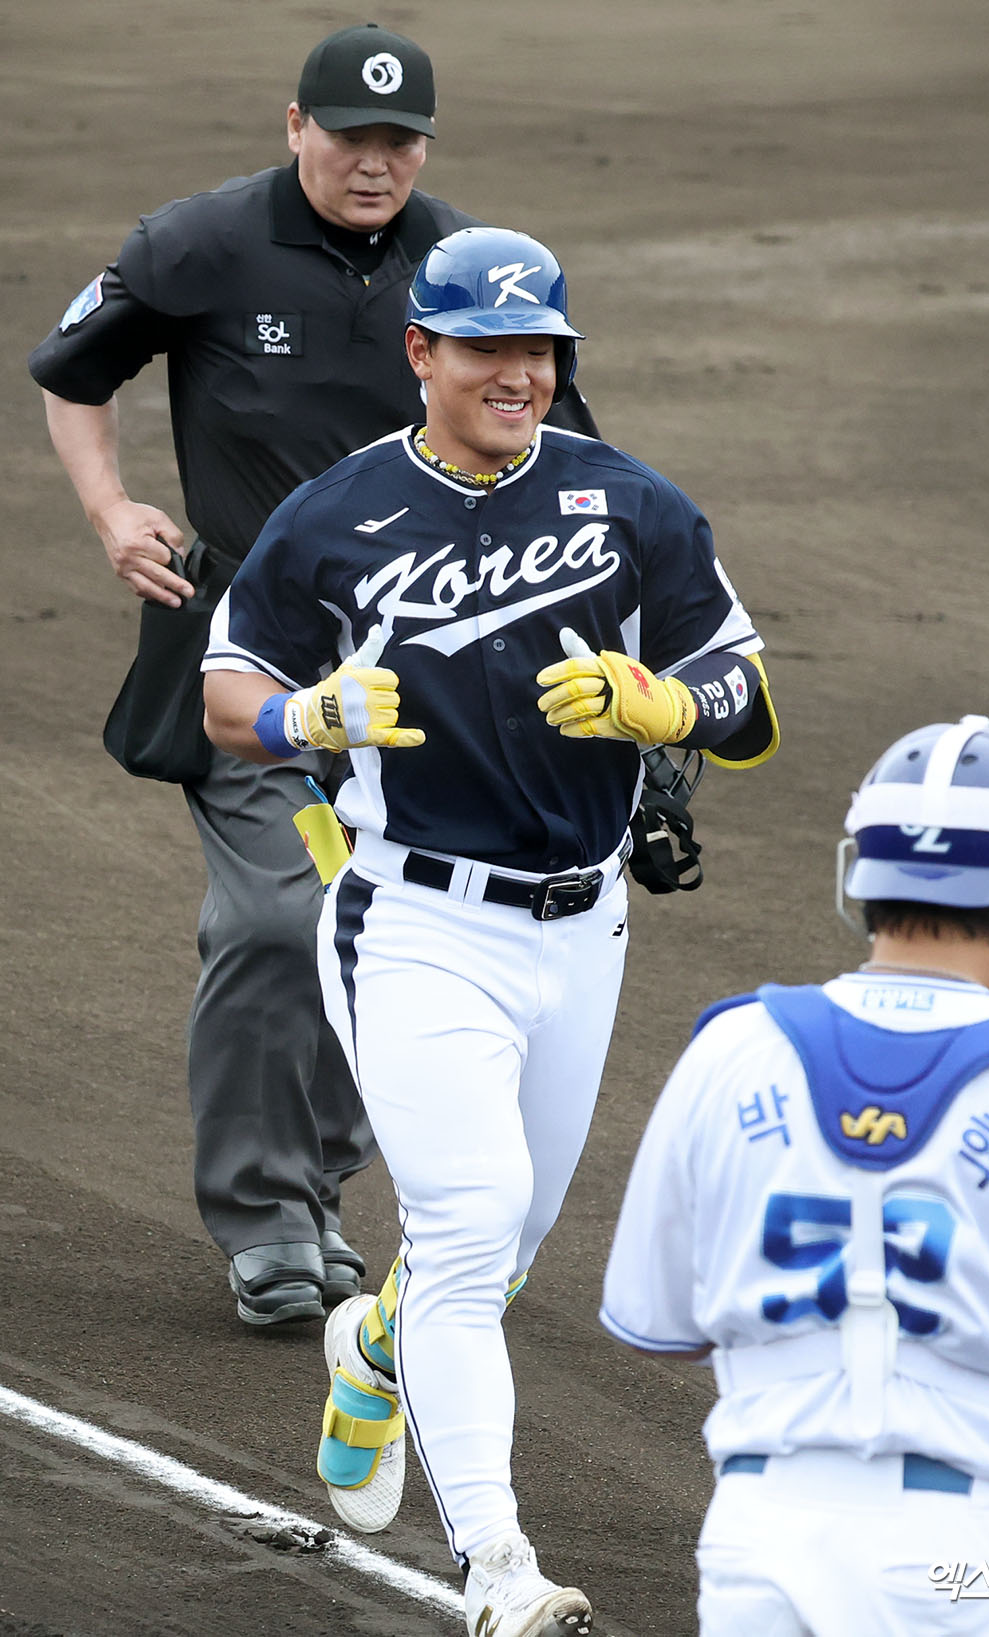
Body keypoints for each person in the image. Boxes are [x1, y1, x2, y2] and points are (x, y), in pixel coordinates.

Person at [200, 222, 778, 1637]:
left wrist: (668, 707)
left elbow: (747, 690)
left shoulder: (630, 506)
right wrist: (306, 717)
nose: (519, 374)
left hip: (583, 929)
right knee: (466, 1225)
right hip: (410, 921)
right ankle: (503, 1574)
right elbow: (228, 685)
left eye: (540, 350)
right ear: (424, 354)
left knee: (505, 1247)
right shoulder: (333, 516)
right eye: (489, 348)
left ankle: (374, 1343)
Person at [27, 24, 600, 1326]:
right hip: (260, 669)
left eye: (399, 143)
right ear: (297, 126)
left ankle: (314, 1183)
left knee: (396, 934)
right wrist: (114, 511)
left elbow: (567, 460)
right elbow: (72, 373)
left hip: (438, 685)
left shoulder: (467, 270)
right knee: (285, 920)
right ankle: (266, 1215)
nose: (373, 163)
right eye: (349, 136)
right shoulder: (200, 244)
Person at [601, 714, 989, 1636]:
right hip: (973, 1558)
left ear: (863, 879)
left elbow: (655, 1324)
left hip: (762, 1545)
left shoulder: (731, 1049)